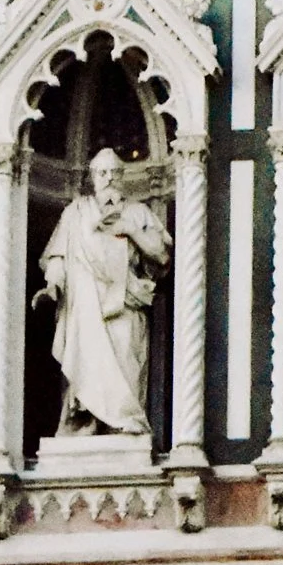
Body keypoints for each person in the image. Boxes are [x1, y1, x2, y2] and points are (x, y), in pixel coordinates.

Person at [37, 146, 170, 438]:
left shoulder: (138, 212)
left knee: (124, 359)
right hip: (83, 304)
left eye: (114, 172)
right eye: (102, 172)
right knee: (86, 363)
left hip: (124, 302)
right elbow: (59, 255)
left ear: (123, 176)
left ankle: (125, 422)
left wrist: (131, 229)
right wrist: (53, 284)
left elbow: (161, 255)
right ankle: (85, 421)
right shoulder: (75, 213)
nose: (108, 178)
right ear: (92, 177)